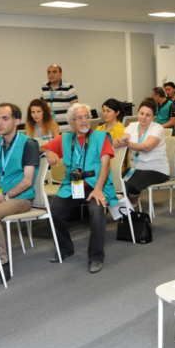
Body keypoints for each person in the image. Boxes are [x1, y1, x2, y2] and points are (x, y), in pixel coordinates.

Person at [41, 103, 117, 274]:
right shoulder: (64, 139)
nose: (84, 121)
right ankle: (65, 248)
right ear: (71, 122)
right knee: (54, 212)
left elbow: (106, 165)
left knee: (97, 212)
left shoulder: (101, 137)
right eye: (79, 118)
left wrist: (98, 189)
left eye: (87, 117)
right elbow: (39, 147)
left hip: (95, 185)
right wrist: (48, 152)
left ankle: (96, 256)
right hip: (72, 186)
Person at [0, 103, 40, 284]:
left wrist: (1, 198)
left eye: (5, 118)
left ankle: (3, 263)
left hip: (21, 198)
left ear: (17, 121)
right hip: (2, 195)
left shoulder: (28, 144)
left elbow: (27, 181)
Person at [114, 98, 169, 207]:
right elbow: (124, 140)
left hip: (156, 169)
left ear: (154, 117)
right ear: (138, 112)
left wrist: (126, 143)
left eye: (148, 115)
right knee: (115, 183)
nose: (143, 117)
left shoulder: (158, 128)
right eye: (141, 113)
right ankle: (122, 210)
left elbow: (146, 147)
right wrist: (118, 142)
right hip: (136, 168)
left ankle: (131, 204)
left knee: (129, 185)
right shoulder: (132, 126)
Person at [41, 64, 79, 128]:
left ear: (61, 74)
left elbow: (76, 109)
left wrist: (75, 126)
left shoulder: (69, 87)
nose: (51, 74)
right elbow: (42, 107)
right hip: (50, 128)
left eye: (54, 72)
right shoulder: (44, 87)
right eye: (49, 72)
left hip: (66, 128)